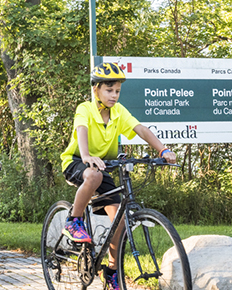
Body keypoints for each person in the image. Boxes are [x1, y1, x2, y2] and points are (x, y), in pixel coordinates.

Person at [59, 62, 177, 290]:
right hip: (76, 161)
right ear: (96, 90)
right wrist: (86, 156)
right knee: (93, 177)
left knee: (121, 222)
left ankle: (111, 272)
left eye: (117, 91)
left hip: (103, 167)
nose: (114, 95)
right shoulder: (85, 108)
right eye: (109, 90)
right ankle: (73, 221)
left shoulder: (118, 112)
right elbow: (81, 130)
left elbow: (140, 129)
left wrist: (163, 150)